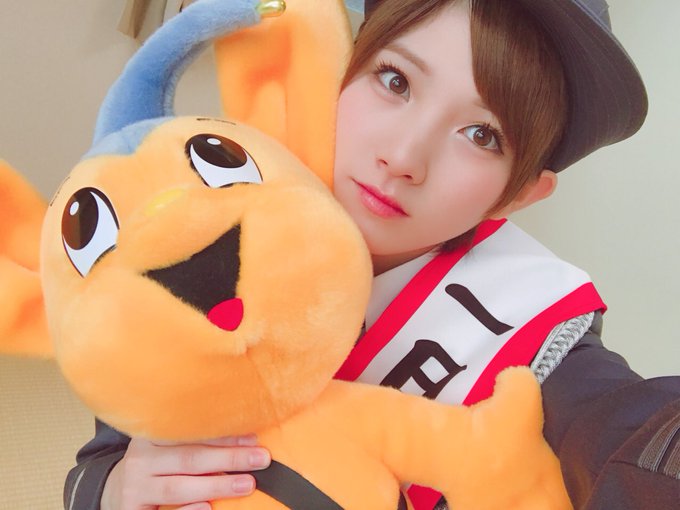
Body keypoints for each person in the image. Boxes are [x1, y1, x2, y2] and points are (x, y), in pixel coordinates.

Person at [64, 1, 680, 509]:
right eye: (396, 81)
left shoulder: (533, 324)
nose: (404, 157)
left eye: (482, 135)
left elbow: (622, 426)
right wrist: (112, 488)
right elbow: (104, 453)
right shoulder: (224, 198)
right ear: (343, 67)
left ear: (517, 194)